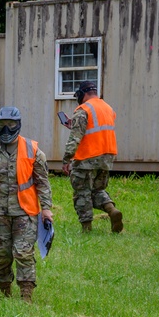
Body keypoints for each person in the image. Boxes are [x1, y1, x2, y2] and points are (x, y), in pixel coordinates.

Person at [0, 107, 54, 303]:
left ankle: (26, 297)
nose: (6, 130)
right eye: (2, 125)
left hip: (24, 212)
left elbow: (42, 181)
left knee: (23, 252)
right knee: (1, 256)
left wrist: (46, 209)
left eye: (11, 125)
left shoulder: (33, 150)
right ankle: (5, 293)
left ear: (19, 125)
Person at [61, 81, 123, 233]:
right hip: (107, 157)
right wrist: (74, 124)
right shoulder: (108, 108)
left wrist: (67, 159)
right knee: (97, 190)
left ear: (83, 93)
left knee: (82, 193)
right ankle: (111, 209)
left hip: (87, 158)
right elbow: (96, 130)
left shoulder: (83, 110)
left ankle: (86, 229)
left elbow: (75, 138)